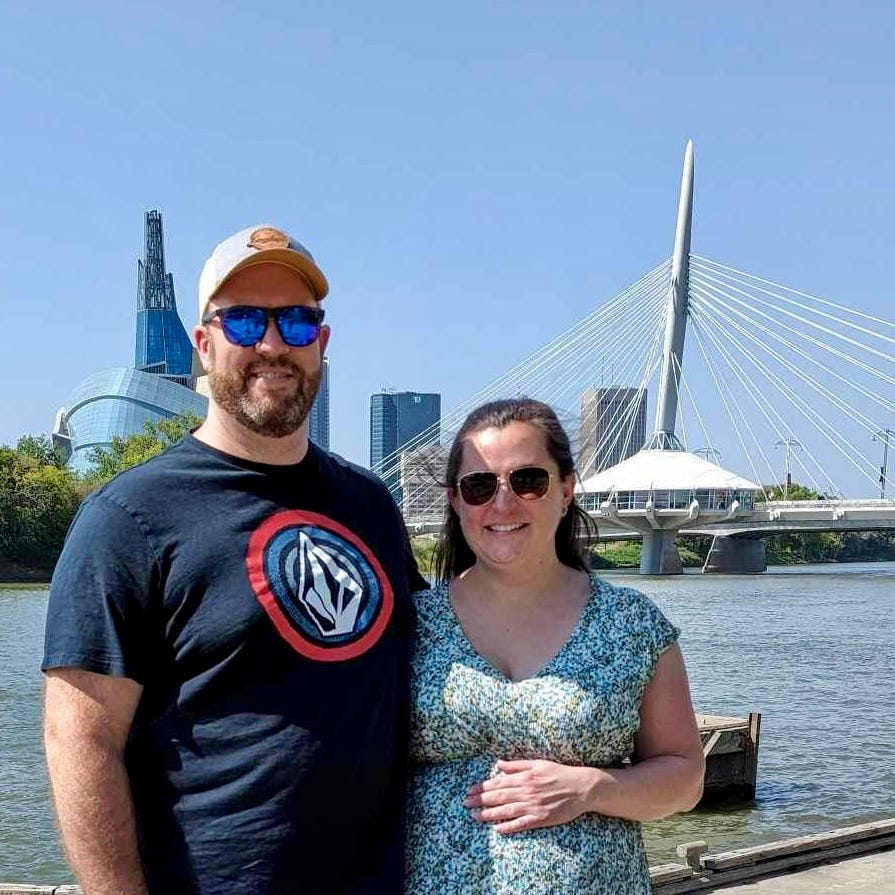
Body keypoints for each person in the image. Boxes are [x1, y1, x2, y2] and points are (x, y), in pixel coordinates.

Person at [43, 224, 426, 895]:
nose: (272, 344)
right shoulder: (128, 517)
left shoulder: (369, 503)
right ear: (203, 344)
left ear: (323, 344)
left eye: (297, 323)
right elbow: (79, 742)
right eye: (244, 320)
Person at [406, 398, 705, 894]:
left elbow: (686, 777)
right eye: (479, 486)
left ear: (566, 489)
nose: (502, 504)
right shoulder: (411, 624)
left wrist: (589, 788)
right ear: (456, 500)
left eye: (528, 480)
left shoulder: (631, 625)